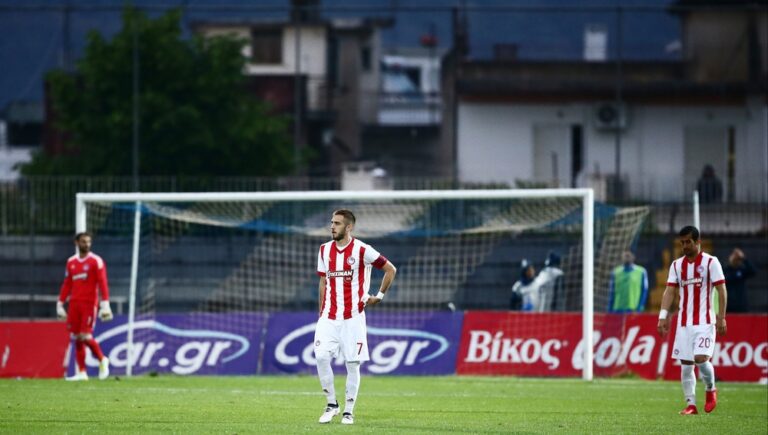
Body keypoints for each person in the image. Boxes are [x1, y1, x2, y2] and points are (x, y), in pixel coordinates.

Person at [315, 209, 397, 425]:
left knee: (352, 364)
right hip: (329, 317)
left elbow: (390, 269)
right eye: (332, 222)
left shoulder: (362, 249)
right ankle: (331, 405)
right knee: (321, 357)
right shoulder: (324, 250)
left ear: (349, 227)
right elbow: (323, 282)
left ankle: (348, 412)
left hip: (353, 317)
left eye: (337, 223)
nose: (332, 226)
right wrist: (321, 313)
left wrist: (379, 296)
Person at [657, 226, 727, 415]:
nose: (685, 246)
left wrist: (721, 317)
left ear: (698, 242)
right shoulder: (676, 265)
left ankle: (711, 389)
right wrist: (662, 316)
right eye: (682, 242)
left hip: (705, 322)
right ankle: (691, 405)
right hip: (684, 323)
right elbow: (669, 291)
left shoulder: (711, 262)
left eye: (688, 242)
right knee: (686, 366)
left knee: (701, 359)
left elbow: (721, 289)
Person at [56, 232, 113, 381]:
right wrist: (60, 303)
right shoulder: (71, 262)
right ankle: (82, 372)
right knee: (76, 337)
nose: (86, 244)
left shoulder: (96, 261)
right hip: (74, 303)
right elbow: (67, 283)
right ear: (76, 243)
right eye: (83, 242)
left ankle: (102, 359)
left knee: (85, 335)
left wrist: (105, 304)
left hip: (89, 304)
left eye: (88, 242)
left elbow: (102, 282)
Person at [723, 248, 756, 313]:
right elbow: (726, 279)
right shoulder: (726, 270)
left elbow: (753, 271)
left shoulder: (742, 270)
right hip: (729, 304)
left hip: (741, 304)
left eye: (738, 259)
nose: (736, 260)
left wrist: (744, 258)